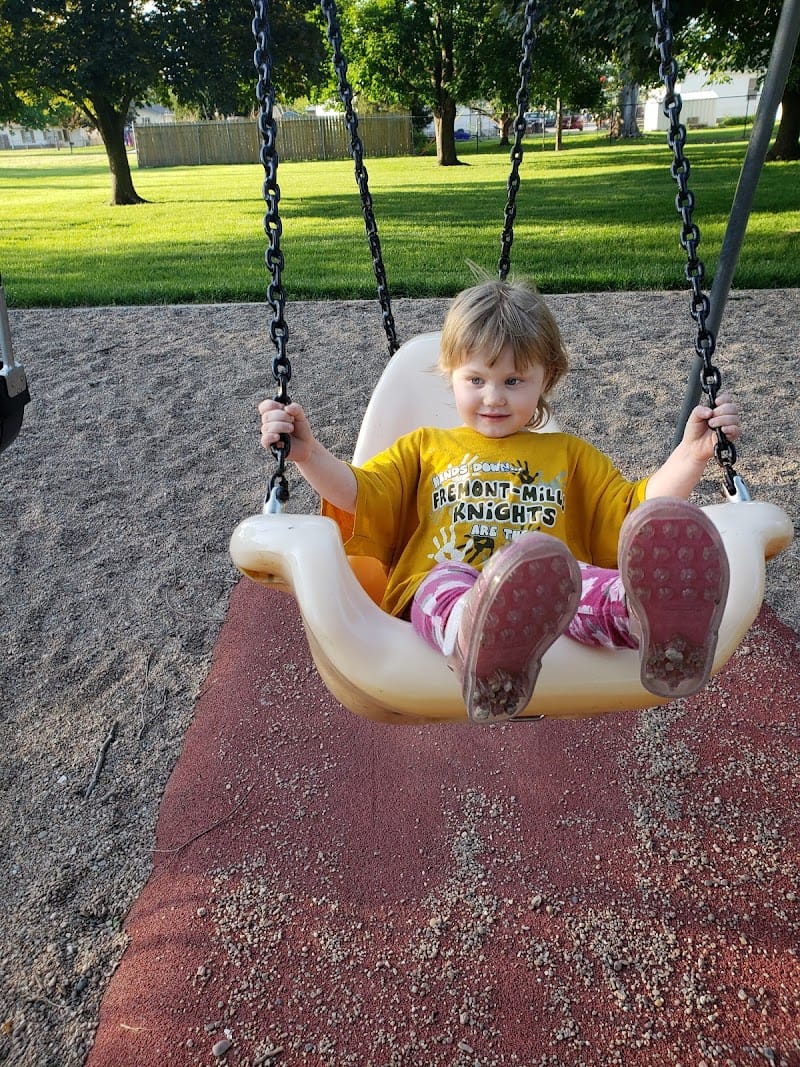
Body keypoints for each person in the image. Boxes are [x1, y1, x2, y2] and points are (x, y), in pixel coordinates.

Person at [258, 277, 741, 723]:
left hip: (547, 597)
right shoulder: (425, 447)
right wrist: (308, 454)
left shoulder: (568, 454)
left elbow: (632, 510)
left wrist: (691, 456)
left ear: (545, 378)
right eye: (476, 380)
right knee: (442, 585)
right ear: (450, 374)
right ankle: (478, 644)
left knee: (582, 583)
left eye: (513, 381)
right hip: (447, 581)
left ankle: (658, 626)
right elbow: (361, 493)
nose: (493, 397)